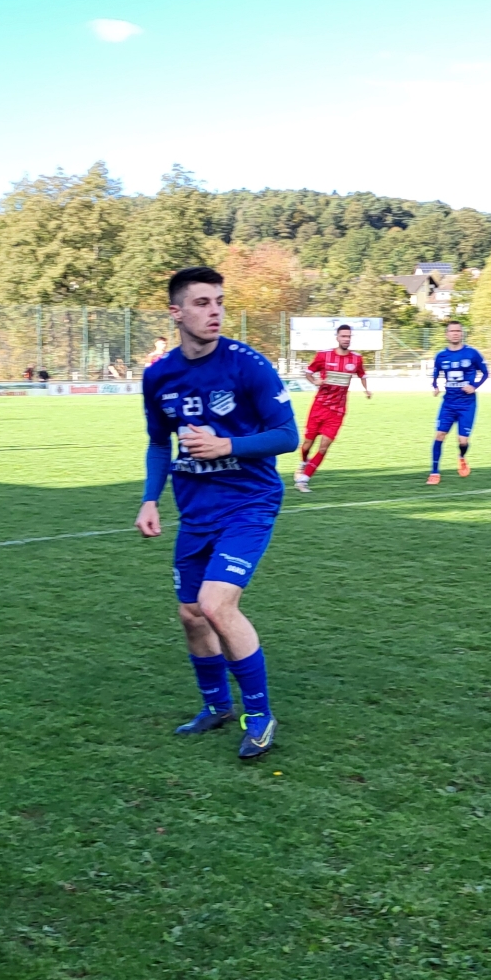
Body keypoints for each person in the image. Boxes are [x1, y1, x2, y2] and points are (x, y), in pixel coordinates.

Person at [137, 266, 299, 761]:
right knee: (190, 615)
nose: (215, 312)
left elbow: (287, 436)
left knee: (215, 605)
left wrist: (226, 444)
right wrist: (149, 498)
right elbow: (158, 443)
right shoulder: (158, 376)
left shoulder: (248, 366)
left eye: (220, 302)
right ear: (176, 312)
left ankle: (260, 716)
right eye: (202, 303)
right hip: (195, 511)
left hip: (249, 504)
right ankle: (216, 707)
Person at [295, 323, 370, 492]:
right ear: (337, 338)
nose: (346, 339)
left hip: (338, 411)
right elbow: (308, 372)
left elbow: (362, 374)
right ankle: (303, 462)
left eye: (349, 336)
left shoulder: (356, 359)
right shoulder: (323, 355)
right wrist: (315, 381)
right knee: (307, 444)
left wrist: (366, 389)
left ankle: (304, 480)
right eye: (343, 336)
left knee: (324, 447)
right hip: (319, 407)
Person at [428, 320, 487, 485]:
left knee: (463, 441)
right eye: (452, 331)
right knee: (439, 435)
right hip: (448, 403)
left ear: (462, 334)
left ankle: (461, 457)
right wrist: (435, 386)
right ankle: (434, 472)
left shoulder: (472, 353)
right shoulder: (441, 356)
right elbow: (435, 374)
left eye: (458, 331)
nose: (455, 334)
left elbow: (485, 373)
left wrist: (474, 386)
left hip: (467, 404)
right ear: (446, 334)